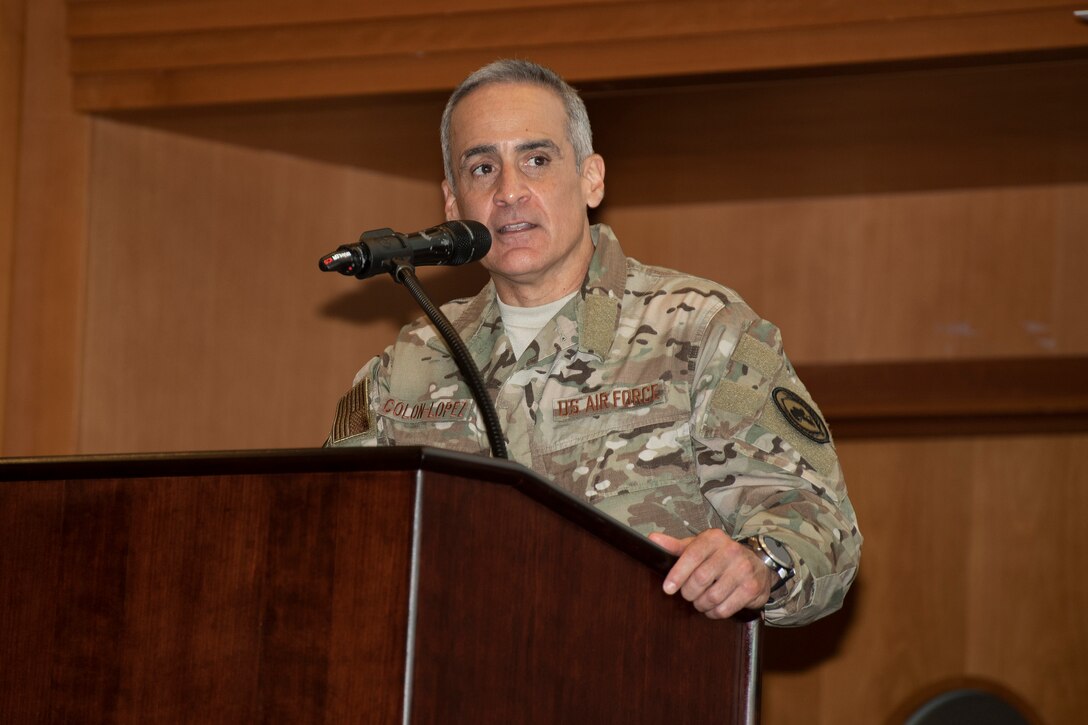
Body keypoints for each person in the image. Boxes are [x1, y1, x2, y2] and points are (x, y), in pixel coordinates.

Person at [326, 59, 861, 627]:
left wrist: (758, 566)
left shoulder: (706, 330)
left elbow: (823, 531)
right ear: (453, 202)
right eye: (482, 167)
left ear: (591, 178)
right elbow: (334, 535)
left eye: (536, 160)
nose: (509, 192)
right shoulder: (406, 364)